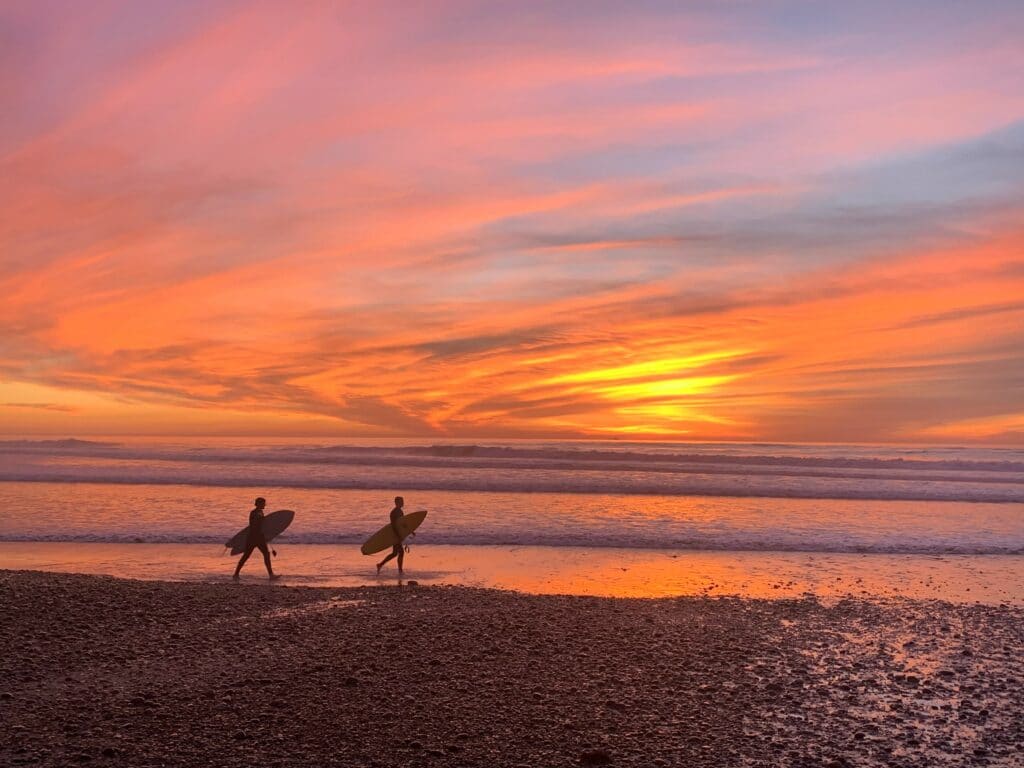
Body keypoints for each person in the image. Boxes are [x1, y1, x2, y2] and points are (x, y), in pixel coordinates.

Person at [233, 497, 280, 580]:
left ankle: (271, 575)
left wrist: (265, 534)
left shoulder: (261, 512)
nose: (265, 505)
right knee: (246, 556)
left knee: (266, 554)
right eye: (263, 503)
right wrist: (261, 521)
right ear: (258, 504)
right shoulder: (254, 513)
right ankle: (236, 574)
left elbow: (262, 526)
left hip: (259, 537)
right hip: (253, 537)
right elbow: (254, 525)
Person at [376, 496, 411, 575]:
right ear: (396, 503)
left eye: (403, 501)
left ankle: (380, 565)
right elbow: (394, 525)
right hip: (395, 534)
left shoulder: (400, 511)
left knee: (395, 553)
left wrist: (410, 530)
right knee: (401, 552)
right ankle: (400, 571)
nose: (403, 503)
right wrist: (398, 535)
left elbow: (402, 523)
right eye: (401, 501)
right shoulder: (394, 512)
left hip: (398, 534)